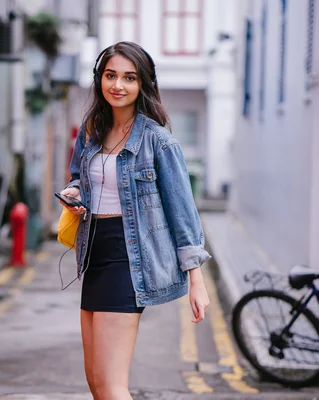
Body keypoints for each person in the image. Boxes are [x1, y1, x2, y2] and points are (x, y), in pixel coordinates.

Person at [58, 41, 211, 400]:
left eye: (129, 78)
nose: (118, 85)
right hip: (94, 255)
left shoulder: (159, 142)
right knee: (97, 383)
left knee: (112, 387)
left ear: (142, 84)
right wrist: (75, 193)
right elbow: (79, 176)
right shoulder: (92, 130)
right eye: (111, 76)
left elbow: (183, 213)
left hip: (129, 258)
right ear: (100, 79)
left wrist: (197, 280)